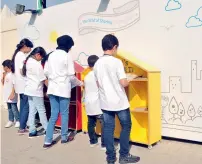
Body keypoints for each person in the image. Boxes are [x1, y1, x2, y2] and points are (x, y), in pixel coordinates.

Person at [93, 34, 140, 164]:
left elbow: (98, 84)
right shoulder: (116, 62)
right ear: (114, 47)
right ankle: (124, 155)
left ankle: (111, 158)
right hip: (119, 102)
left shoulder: (97, 63)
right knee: (126, 125)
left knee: (108, 129)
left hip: (105, 102)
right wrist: (129, 79)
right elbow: (124, 83)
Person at [43, 35, 83, 149]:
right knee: (64, 113)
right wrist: (80, 83)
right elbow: (71, 75)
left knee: (53, 115)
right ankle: (64, 137)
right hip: (63, 89)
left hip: (52, 88)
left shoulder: (50, 55)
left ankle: (47, 140)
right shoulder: (67, 56)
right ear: (68, 46)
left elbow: (45, 71)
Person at [22, 47, 48, 138]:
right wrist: (50, 90)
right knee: (41, 110)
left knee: (32, 111)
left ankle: (32, 130)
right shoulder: (36, 65)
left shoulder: (28, 61)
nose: (41, 59)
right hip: (36, 90)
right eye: (41, 57)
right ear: (37, 55)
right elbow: (44, 79)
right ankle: (47, 129)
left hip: (29, 90)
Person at [11, 38, 34, 134]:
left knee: (23, 105)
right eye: (29, 48)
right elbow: (22, 70)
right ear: (25, 47)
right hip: (23, 84)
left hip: (19, 84)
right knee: (25, 106)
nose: (30, 50)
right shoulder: (21, 56)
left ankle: (22, 125)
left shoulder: (17, 55)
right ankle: (22, 127)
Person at [84, 55, 105, 150]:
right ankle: (104, 144)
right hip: (98, 104)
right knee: (105, 124)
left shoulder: (87, 76)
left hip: (89, 104)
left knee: (91, 123)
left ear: (89, 65)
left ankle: (93, 141)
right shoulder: (98, 75)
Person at [2, 60, 20, 128]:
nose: (3, 68)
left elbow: (15, 84)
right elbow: (4, 84)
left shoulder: (13, 74)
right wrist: (3, 77)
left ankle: (18, 120)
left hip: (12, 95)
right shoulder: (6, 74)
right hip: (7, 95)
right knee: (9, 108)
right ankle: (11, 120)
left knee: (14, 108)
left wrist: (12, 93)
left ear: (6, 67)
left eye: (3, 67)